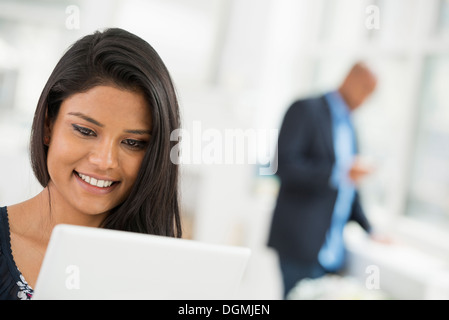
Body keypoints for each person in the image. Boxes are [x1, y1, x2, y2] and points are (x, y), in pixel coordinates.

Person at [0, 28, 182, 300]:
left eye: (132, 142)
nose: (105, 161)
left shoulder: (166, 272)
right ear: (49, 124)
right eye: (85, 131)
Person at [267, 62, 378, 299]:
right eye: (366, 88)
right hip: (300, 243)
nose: (366, 99)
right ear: (350, 78)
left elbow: (349, 188)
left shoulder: (350, 125)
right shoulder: (306, 109)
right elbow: (283, 166)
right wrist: (337, 172)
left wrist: (370, 229)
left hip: (332, 249)